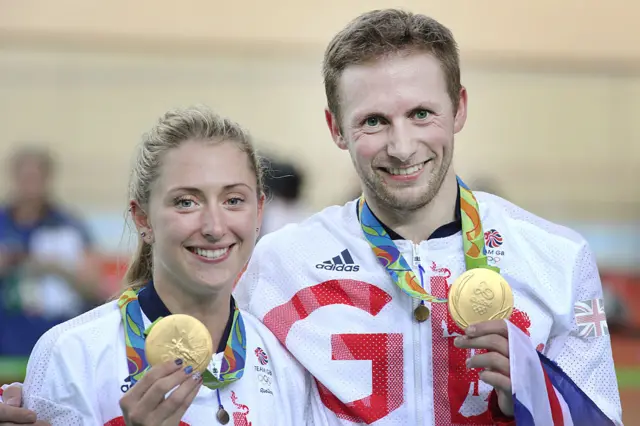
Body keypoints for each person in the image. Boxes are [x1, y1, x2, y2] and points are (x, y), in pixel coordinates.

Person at [0, 8, 623, 426]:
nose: (401, 146)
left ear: (458, 108)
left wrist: (538, 394)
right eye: (373, 121)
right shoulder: (277, 262)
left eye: (421, 114)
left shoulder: (557, 258)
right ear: (335, 128)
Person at [8, 106, 314, 425]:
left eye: (233, 200)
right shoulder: (72, 354)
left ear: (259, 211)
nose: (214, 227)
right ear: (143, 218)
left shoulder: (287, 360)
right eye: (186, 202)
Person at [0, 145, 104, 356]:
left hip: (58, 332)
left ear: (48, 179)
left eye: (36, 177)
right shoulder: (3, 223)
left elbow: (94, 286)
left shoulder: (69, 226)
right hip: (8, 334)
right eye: (25, 177)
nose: (31, 186)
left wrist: (57, 269)